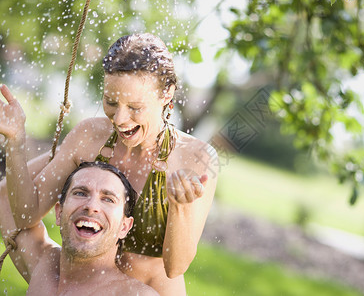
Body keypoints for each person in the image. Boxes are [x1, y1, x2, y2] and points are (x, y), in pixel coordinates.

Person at [0, 33, 218, 295]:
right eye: (111, 102)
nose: (121, 118)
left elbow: (176, 267)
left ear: (167, 94)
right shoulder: (90, 136)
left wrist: (181, 208)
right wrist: (15, 141)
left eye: (135, 107)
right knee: (3, 198)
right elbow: (24, 214)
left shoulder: (195, 157)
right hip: (82, 287)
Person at [0, 161, 159, 295]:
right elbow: (5, 195)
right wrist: (67, 154)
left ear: (124, 227)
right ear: (59, 212)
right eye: (81, 193)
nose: (91, 206)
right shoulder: (44, 264)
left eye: (108, 199)